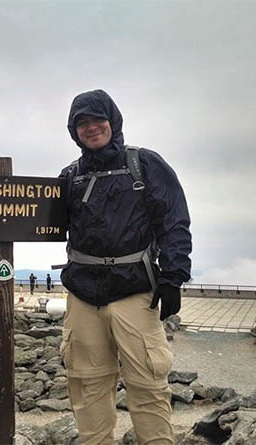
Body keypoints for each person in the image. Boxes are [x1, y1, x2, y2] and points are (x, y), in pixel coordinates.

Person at [58, 90, 191, 444]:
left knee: (147, 383)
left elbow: (174, 221)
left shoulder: (145, 164)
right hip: (83, 294)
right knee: (86, 385)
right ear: (73, 131)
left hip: (135, 291)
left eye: (97, 120)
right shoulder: (70, 176)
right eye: (81, 123)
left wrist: (174, 277)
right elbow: (40, 224)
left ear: (113, 121)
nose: (90, 128)